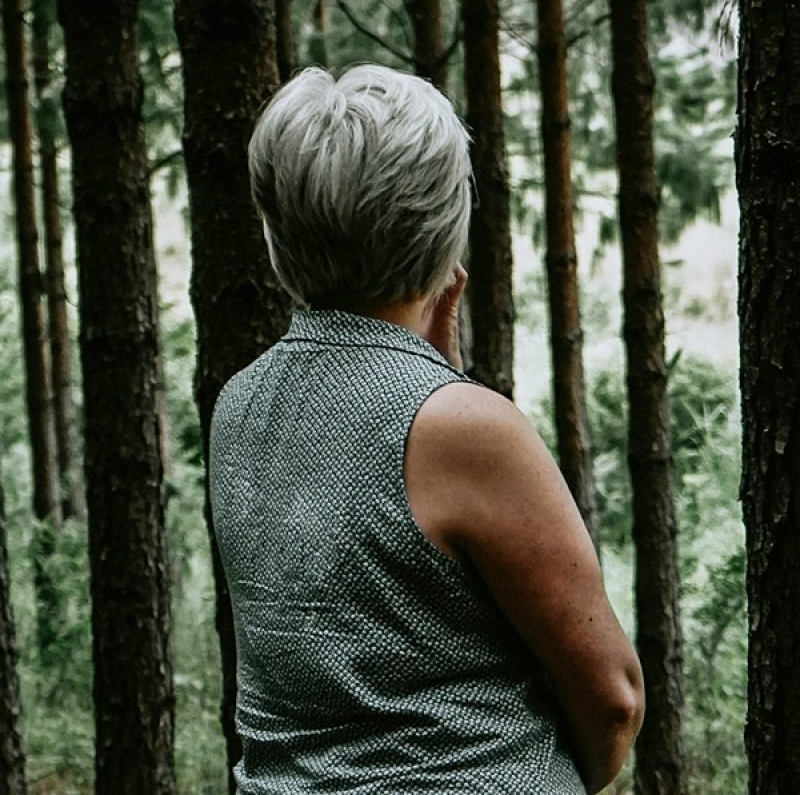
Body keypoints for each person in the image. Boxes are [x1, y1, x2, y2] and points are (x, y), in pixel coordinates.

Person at [210, 64, 644, 795]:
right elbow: (613, 702)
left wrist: (425, 373)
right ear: (445, 229)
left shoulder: (239, 405)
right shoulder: (466, 430)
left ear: (278, 227)